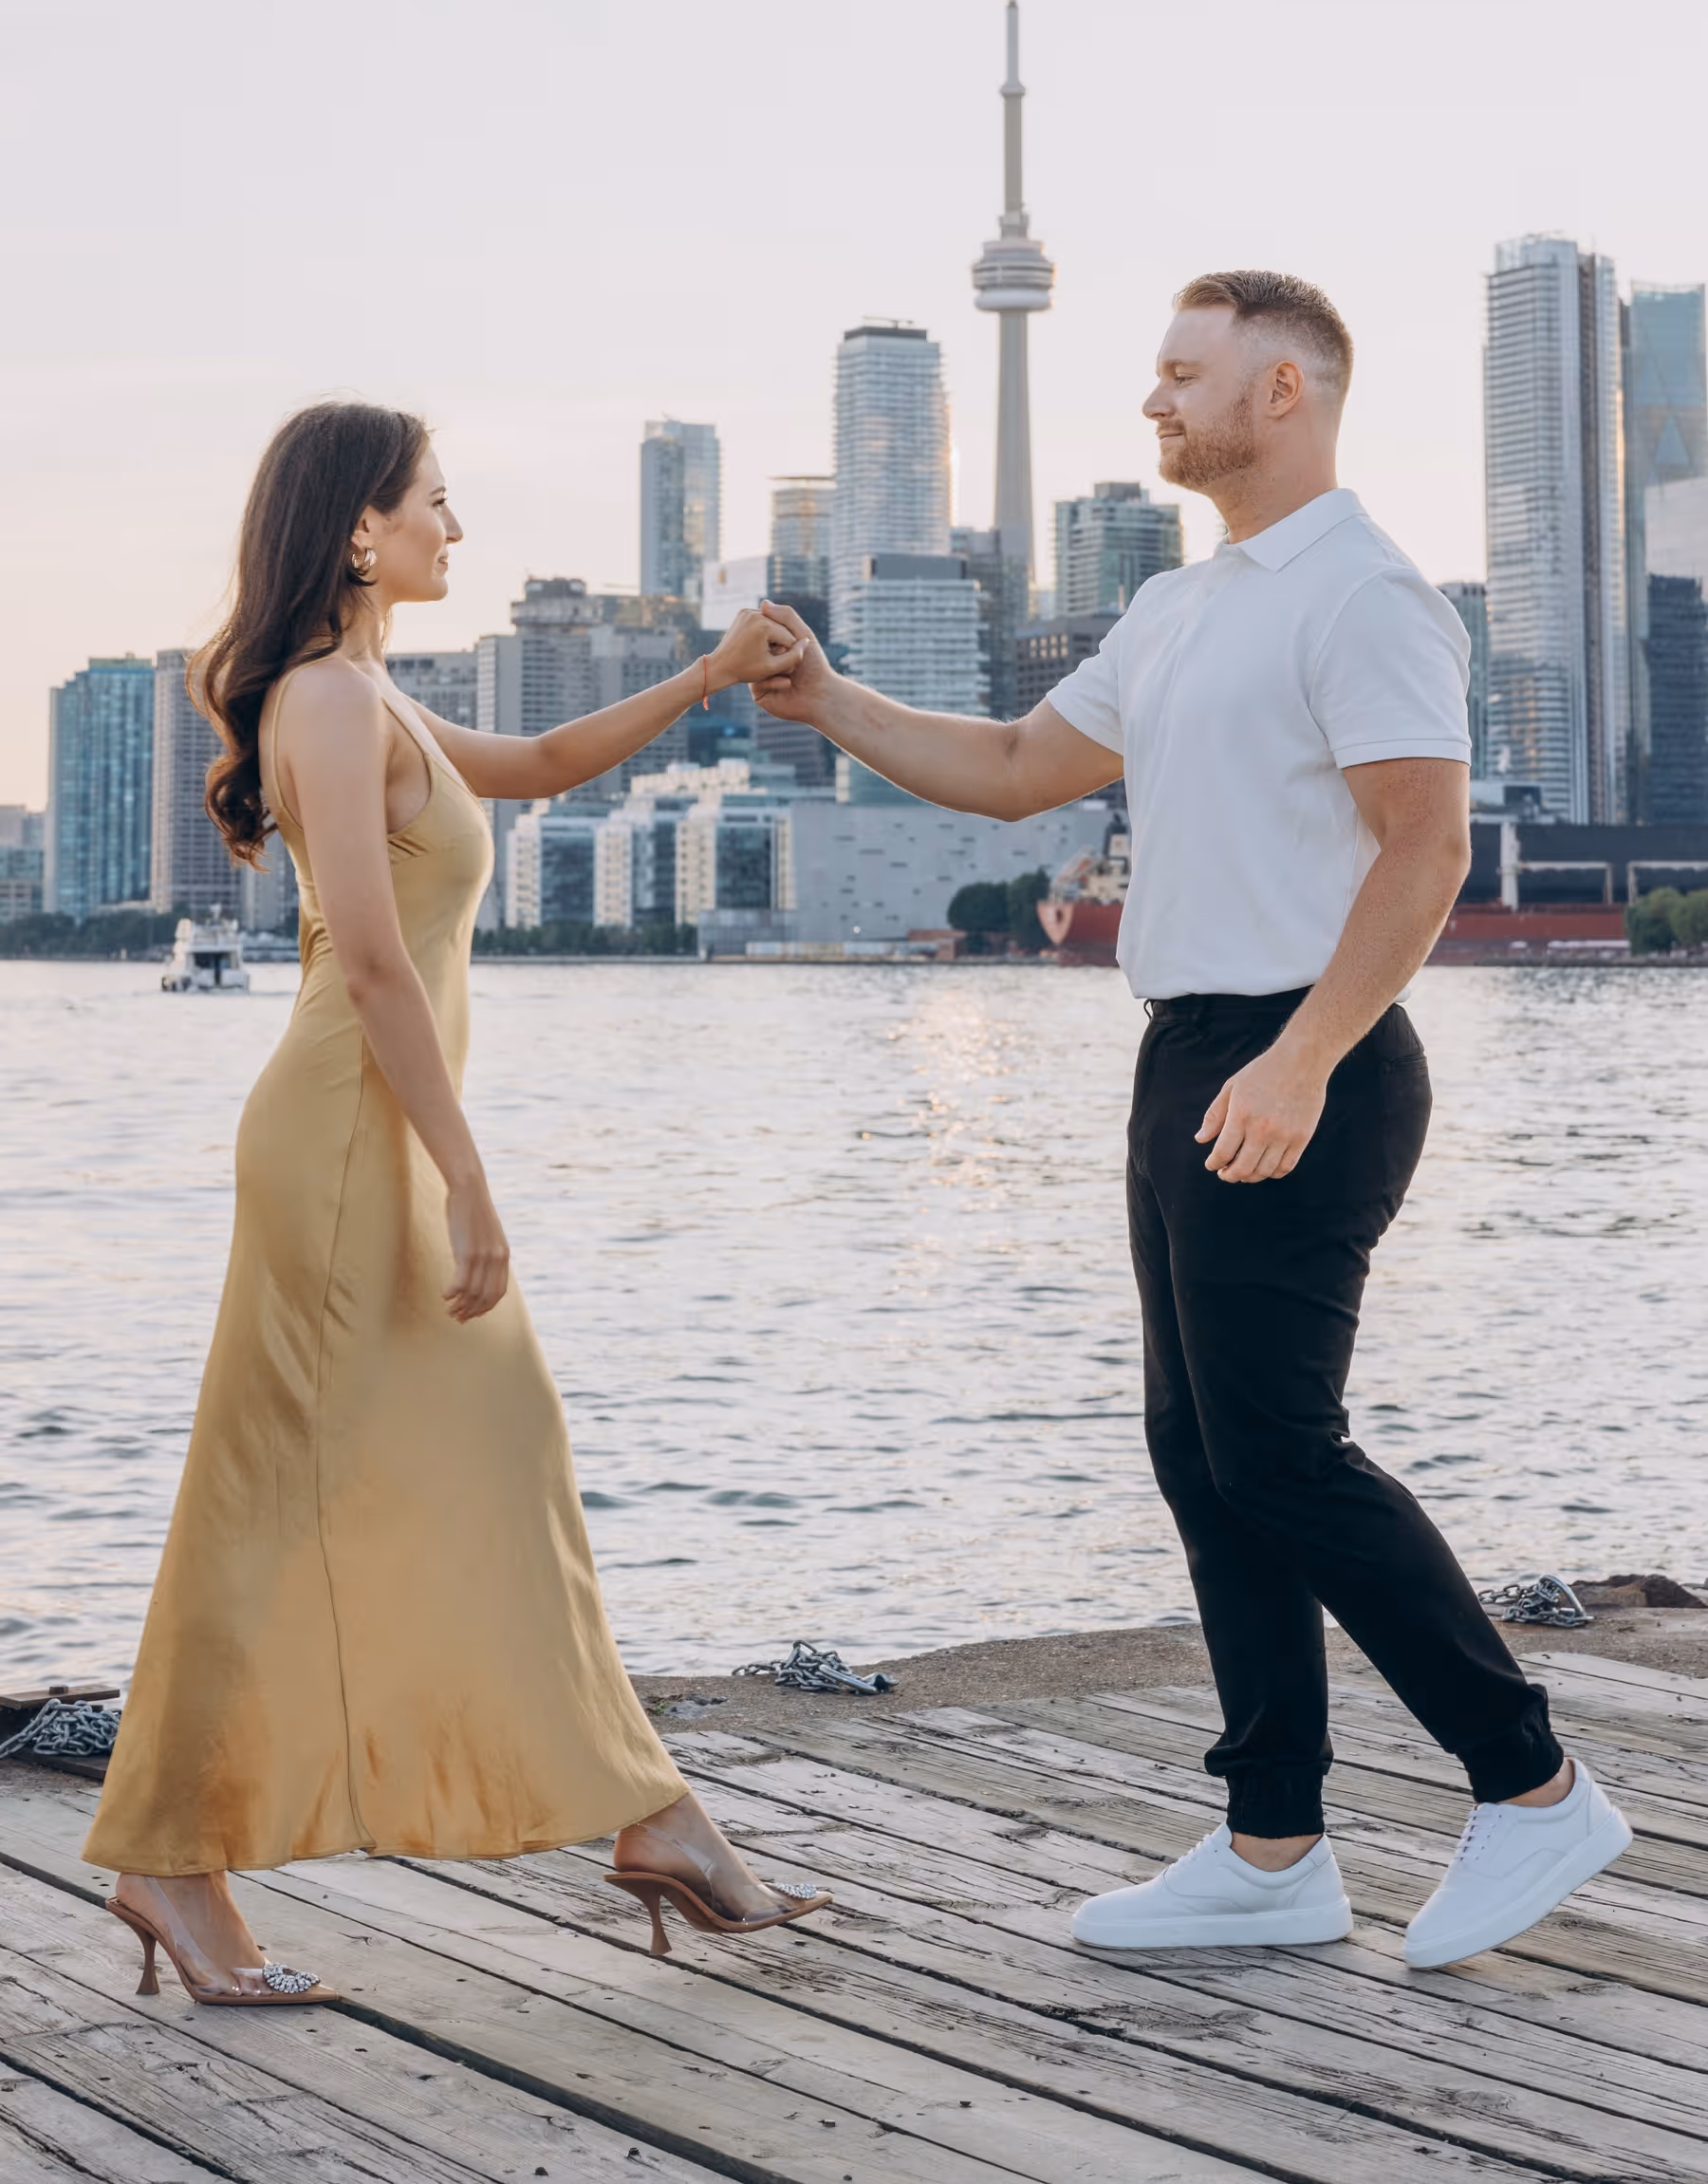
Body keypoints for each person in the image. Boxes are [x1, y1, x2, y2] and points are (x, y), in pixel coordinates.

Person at [753, 271, 1630, 1971]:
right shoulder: (1175, 606)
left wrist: (1302, 1058)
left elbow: (1426, 851)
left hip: (1314, 1056)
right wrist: (831, 700)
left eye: (1183, 374)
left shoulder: (1368, 593)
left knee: (1282, 1452)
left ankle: (1532, 1788)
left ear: (1285, 390)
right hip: (1187, 1051)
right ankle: (1272, 1847)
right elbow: (1018, 764)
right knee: (1203, 1456)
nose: (1153, 405)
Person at [86, 401, 829, 2003]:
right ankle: (184, 1854)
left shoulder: (374, 700)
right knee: (300, 1490)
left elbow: (550, 761)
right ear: (360, 529)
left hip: (363, 1138)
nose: (456, 530)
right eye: (437, 503)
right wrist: (468, 1170)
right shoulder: (328, 706)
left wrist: (707, 679)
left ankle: (647, 1815)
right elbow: (366, 956)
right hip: (351, 1144)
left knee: (425, 1468)